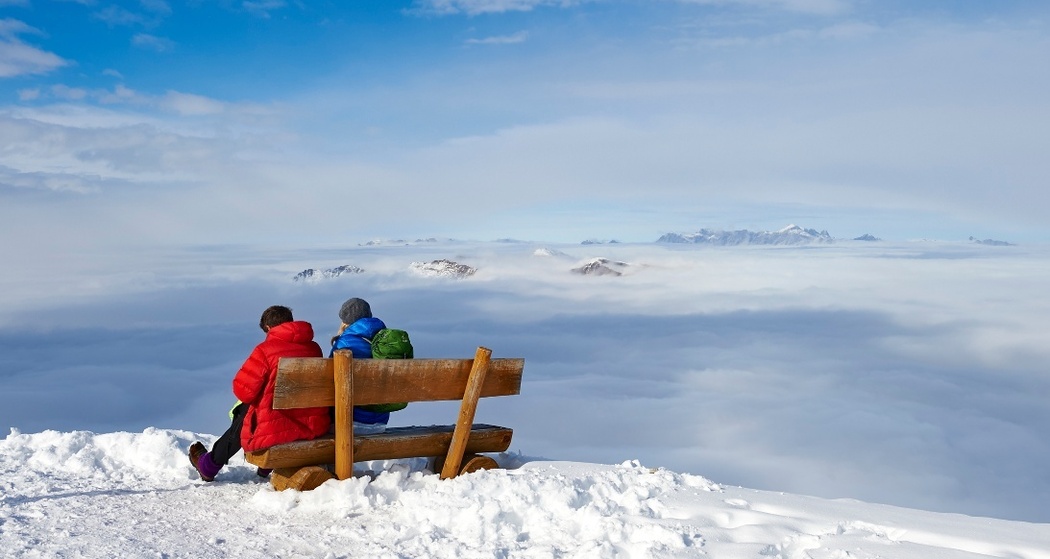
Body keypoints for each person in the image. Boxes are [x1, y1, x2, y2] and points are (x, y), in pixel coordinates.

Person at [188, 305, 331, 482]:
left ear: (269, 328)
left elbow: (244, 391)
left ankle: (209, 465)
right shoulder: (314, 349)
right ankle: (262, 468)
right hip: (312, 424)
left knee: (246, 409)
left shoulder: (265, 350)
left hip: (276, 429)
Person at [329, 297, 390, 433]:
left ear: (345, 321)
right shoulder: (385, 341)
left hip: (349, 422)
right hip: (380, 423)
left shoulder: (344, 343)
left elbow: (329, 380)